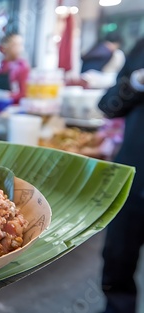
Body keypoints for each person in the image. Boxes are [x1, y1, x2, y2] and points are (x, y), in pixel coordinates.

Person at [97, 37, 144, 313]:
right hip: (135, 174)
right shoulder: (142, 48)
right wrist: (136, 83)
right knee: (118, 258)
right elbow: (108, 105)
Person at [0, 33, 30, 104]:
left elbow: (24, 94)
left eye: (21, 45)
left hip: (13, 108)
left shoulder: (22, 66)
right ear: (3, 48)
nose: (20, 49)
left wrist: (4, 96)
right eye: (15, 45)